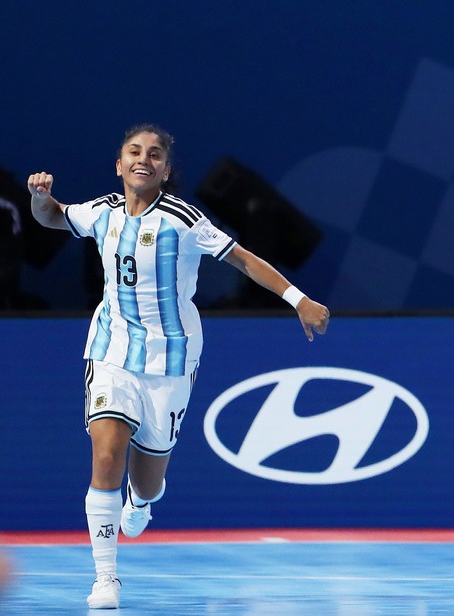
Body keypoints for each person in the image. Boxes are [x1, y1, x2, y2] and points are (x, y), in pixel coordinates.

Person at [27, 124, 330, 609]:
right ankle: (106, 578)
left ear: (165, 171)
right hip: (111, 351)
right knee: (106, 455)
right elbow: (53, 216)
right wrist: (41, 198)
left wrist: (299, 299)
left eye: (154, 154)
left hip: (170, 360)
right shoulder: (101, 212)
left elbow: (242, 260)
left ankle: (142, 500)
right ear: (119, 165)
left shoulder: (183, 220)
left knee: (147, 480)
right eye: (134, 151)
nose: (143, 159)